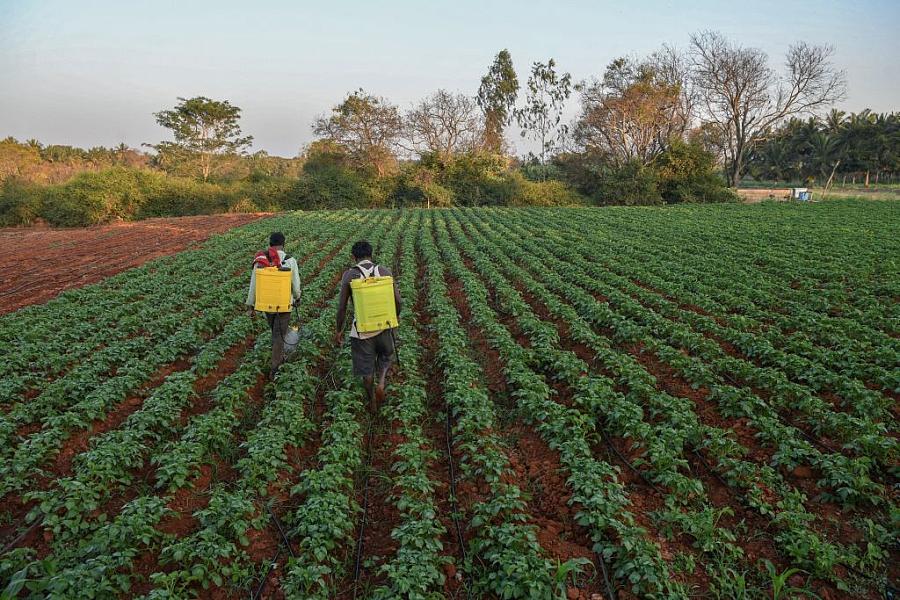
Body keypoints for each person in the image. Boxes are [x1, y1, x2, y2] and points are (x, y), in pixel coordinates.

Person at [334, 240, 402, 408]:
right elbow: (399, 301)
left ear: (353, 257)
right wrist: (395, 319)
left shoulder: (350, 275)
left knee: (366, 368)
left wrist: (339, 330)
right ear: (371, 255)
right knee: (386, 357)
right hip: (385, 326)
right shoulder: (384, 271)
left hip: (363, 331)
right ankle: (381, 381)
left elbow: (342, 307)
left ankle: (371, 400)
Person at [246, 232, 301, 379]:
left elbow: (254, 284)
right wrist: (297, 297)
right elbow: (295, 286)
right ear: (283, 244)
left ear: (270, 244)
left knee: (275, 332)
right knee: (278, 335)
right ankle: (275, 368)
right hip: (283, 305)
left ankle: (278, 355)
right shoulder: (290, 260)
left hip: (267, 304)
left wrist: (250, 305)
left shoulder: (261, 260)